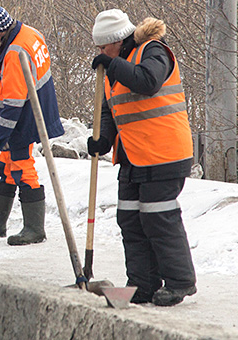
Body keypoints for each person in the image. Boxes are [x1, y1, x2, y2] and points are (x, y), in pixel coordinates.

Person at [87, 9, 197, 306]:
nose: (100, 52)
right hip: (133, 156)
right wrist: (103, 140)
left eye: (103, 47)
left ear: (117, 41)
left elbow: (148, 81)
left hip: (164, 153)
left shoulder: (153, 51)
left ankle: (180, 281)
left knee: (159, 219)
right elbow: (111, 109)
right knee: (131, 219)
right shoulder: (115, 66)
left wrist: (112, 64)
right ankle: (142, 283)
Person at [0, 5, 64, 246]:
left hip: (26, 115)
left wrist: (3, 134)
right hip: (39, 104)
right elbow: (24, 75)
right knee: (6, 164)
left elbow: (12, 102)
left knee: (21, 165)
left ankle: (34, 229)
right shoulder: (30, 33)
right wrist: (0, 83)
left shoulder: (14, 52)